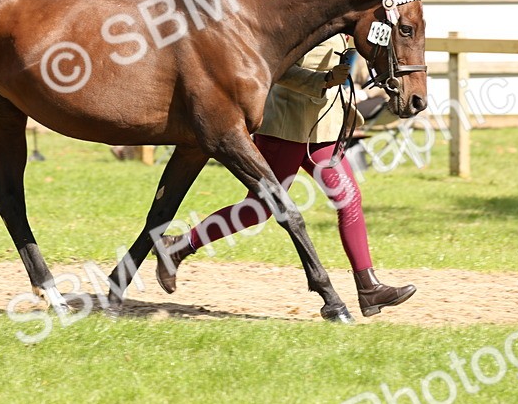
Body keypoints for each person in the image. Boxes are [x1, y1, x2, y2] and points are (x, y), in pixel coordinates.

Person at [154, 33, 417, 318]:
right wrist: (323, 81)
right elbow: (278, 69)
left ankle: (369, 287)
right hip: (286, 127)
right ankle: (180, 246)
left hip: (324, 128)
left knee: (349, 199)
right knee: (257, 209)